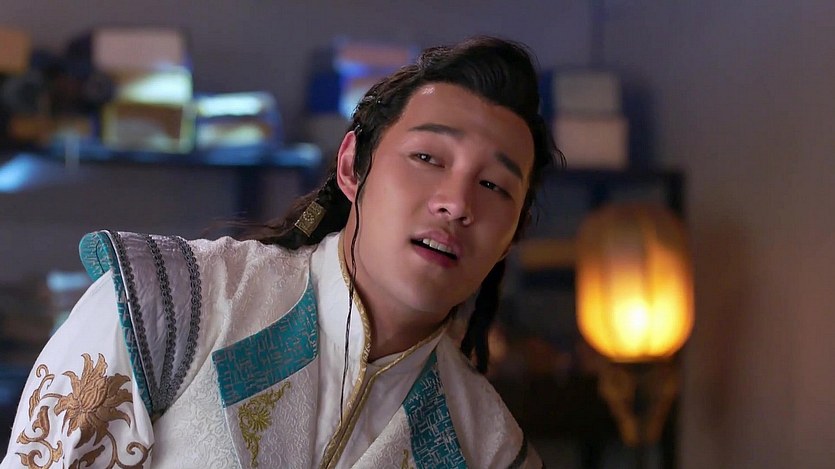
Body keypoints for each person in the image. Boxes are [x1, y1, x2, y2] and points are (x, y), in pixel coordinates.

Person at [2, 35, 561, 468]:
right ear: (352, 166)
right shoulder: (166, 307)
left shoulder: (488, 448)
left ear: (512, 235)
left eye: (494, 186)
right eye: (428, 158)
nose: (456, 203)